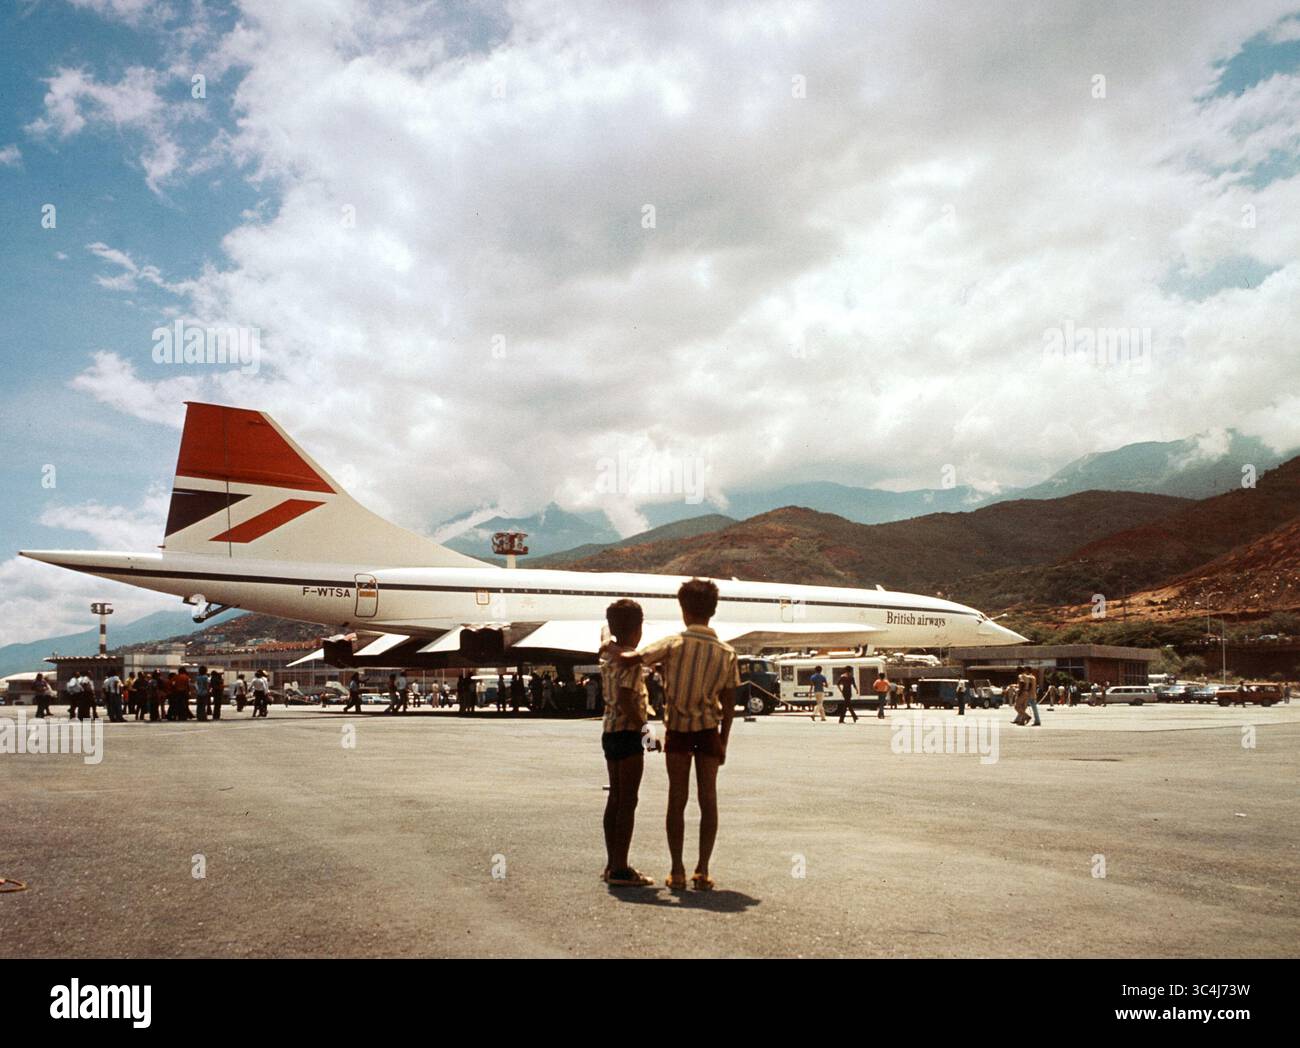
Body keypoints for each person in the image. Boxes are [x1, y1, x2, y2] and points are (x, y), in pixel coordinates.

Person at [613, 578, 739, 892]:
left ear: (683, 610)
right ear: (713, 610)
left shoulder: (672, 644)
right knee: (708, 800)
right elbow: (730, 703)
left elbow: (634, 658)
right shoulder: (726, 653)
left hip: (679, 732)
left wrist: (612, 648)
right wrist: (724, 740)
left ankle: (677, 870)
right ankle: (703, 870)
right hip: (709, 730)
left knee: (677, 800)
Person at [599, 599, 657, 888]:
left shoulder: (608, 654)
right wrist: (647, 733)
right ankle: (621, 868)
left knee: (615, 798)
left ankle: (612, 863)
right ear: (638, 628)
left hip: (610, 731)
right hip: (628, 732)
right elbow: (627, 699)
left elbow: (604, 636)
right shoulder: (630, 661)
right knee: (628, 801)